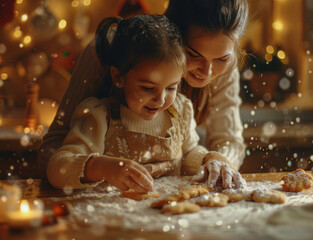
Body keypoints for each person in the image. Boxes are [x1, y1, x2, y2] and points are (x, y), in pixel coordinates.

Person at [40, 0, 249, 188]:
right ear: (172, 34)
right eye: (193, 54)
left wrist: (216, 162)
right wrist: (99, 168)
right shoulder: (114, 54)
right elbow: (55, 151)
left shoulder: (182, 108)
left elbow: (219, 143)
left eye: (222, 59)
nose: (207, 72)